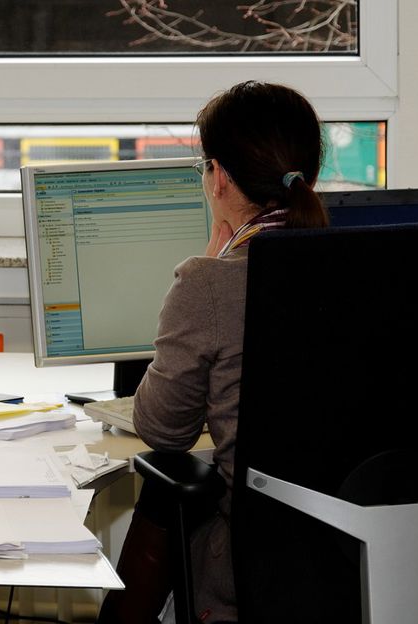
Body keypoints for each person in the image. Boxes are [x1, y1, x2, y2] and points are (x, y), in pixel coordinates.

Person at [98, 81, 329, 624]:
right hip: (348, 556)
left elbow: (163, 429)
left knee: (165, 496)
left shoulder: (210, 282)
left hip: (247, 569)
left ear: (218, 175)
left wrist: (205, 270)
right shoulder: (358, 266)